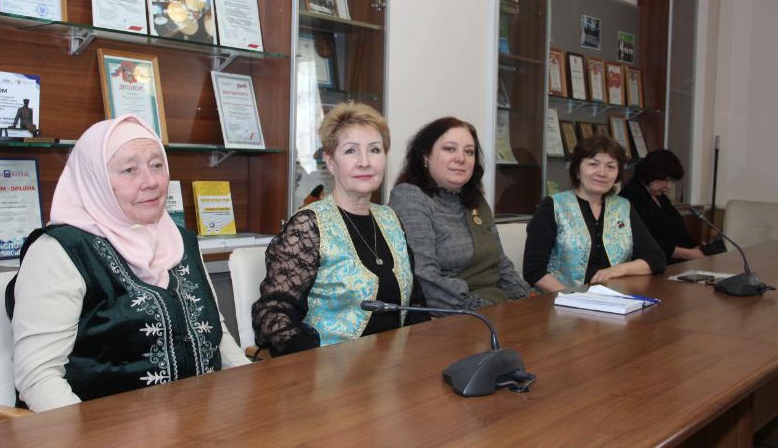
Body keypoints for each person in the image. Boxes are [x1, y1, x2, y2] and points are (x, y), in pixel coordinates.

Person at [6, 115, 249, 412]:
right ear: (94, 179)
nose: (151, 182)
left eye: (157, 165)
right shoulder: (59, 252)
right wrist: (87, 435)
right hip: (103, 428)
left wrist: (252, 392)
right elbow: (37, 378)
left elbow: (216, 336)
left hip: (200, 420)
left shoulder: (180, 241)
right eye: (129, 170)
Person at [252, 103, 429, 357]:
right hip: (329, 370)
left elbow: (414, 303)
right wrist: (313, 362)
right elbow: (272, 313)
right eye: (351, 151)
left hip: (395, 366)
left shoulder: (390, 219)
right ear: (331, 162)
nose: (365, 162)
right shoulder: (309, 226)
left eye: (374, 150)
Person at [388, 117, 530, 313]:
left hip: (498, 306)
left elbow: (501, 264)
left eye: (469, 151)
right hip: (455, 313)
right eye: (450, 149)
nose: (461, 158)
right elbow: (424, 278)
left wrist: (523, 300)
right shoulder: (410, 197)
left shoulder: (475, 200)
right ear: (425, 156)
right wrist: (485, 310)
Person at [523, 135, 666, 293]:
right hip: (560, 300)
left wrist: (619, 269)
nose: (602, 173)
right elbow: (534, 270)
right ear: (577, 170)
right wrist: (575, 299)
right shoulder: (554, 206)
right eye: (593, 164)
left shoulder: (623, 207)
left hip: (612, 298)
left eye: (610, 167)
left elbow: (656, 259)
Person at [619, 149, 705, 264]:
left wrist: (695, 249)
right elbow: (643, 239)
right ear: (652, 174)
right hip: (652, 264)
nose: (669, 186)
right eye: (667, 180)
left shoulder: (660, 196)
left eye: (672, 181)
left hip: (674, 263)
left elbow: (678, 229)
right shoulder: (631, 195)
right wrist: (687, 253)